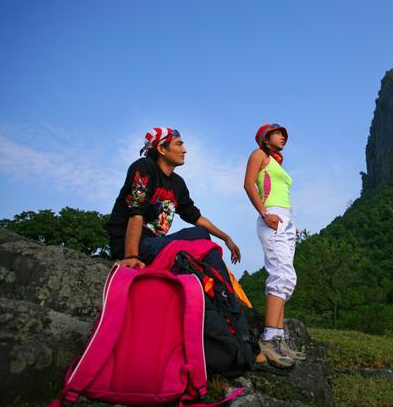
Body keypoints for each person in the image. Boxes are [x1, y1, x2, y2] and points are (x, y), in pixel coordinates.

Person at [106, 127, 240, 269]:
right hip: (132, 245)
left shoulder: (178, 183)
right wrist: (131, 256)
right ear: (162, 149)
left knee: (201, 234)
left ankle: (219, 287)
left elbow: (196, 217)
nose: (184, 150)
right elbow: (136, 212)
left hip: (155, 243)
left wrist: (226, 238)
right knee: (198, 239)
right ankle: (222, 289)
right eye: (178, 144)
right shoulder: (144, 167)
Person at [244, 123, 305, 369]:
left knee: (287, 278)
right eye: (278, 133)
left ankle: (278, 339)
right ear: (266, 138)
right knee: (280, 274)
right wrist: (265, 213)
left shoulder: (277, 163)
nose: (283, 137)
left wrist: (291, 224)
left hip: (286, 222)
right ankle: (269, 340)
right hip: (272, 219)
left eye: (284, 135)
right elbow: (249, 185)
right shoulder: (259, 154)